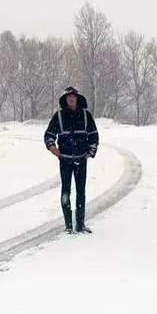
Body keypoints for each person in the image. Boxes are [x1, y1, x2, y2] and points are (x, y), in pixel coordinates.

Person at [44, 87, 99, 233]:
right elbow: (49, 134)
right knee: (65, 192)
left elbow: (94, 136)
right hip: (65, 161)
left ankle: (80, 225)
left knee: (81, 192)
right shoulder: (59, 116)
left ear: (77, 98)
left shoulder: (86, 116)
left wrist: (91, 151)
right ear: (65, 100)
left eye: (73, 96)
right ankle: (68, 226)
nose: (71, 99)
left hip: (81, 160)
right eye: (68, 97)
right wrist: (51, 146)